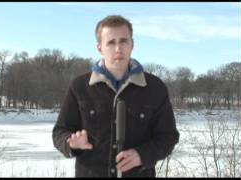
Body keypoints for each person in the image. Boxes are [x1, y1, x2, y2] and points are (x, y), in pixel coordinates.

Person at [52, 15, 179, 177]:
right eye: (111, 42)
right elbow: (59, 132)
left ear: (132, 44)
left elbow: (168, 137)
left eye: (123, 41)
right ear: (100, 48)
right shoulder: (80, 86)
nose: (118, 48)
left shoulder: (154, 88)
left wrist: (143, 155)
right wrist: (71, 142)